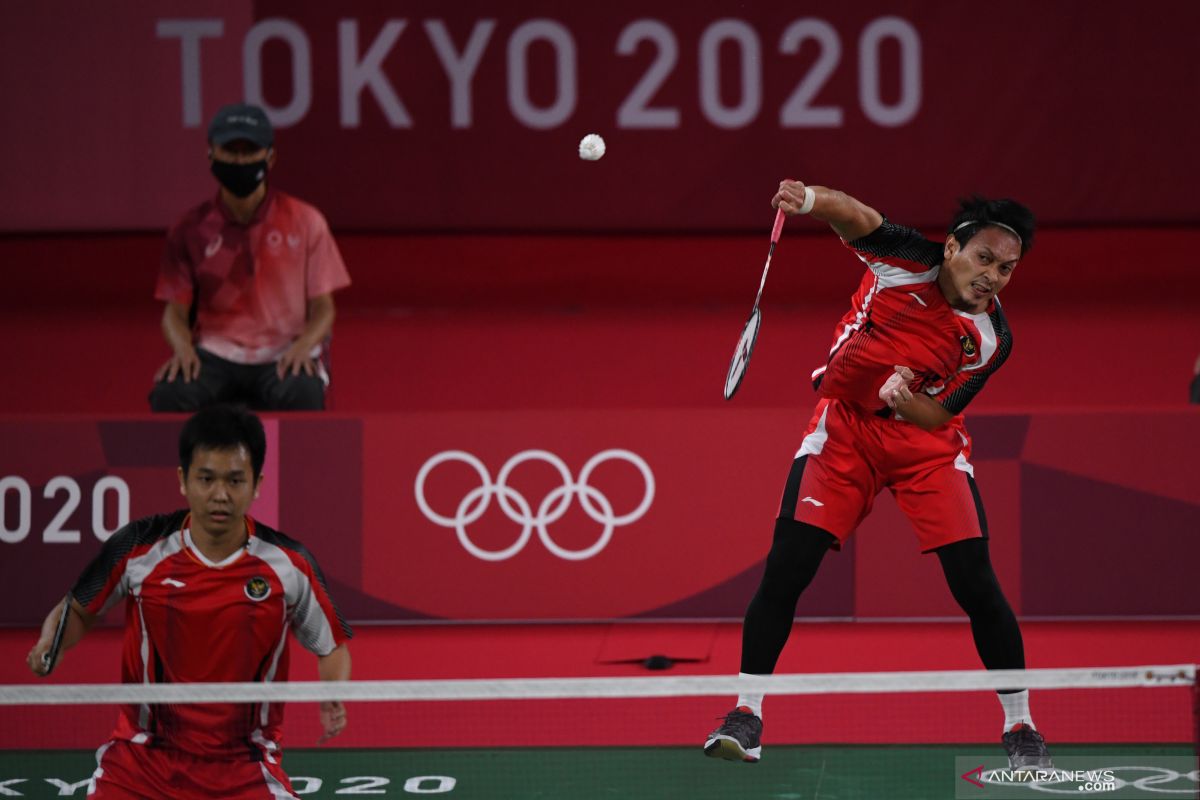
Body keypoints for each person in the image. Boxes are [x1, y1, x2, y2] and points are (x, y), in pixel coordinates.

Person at [703, 180, 1052, 771]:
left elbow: (941, 413)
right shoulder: (904, 260)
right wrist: (809, 199)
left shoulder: (993, 337)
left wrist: (905, 401)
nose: (993, 276)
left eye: (1007, 268)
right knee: (788, 568)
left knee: (974, 583)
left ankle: (1021, 723)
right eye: (984, 258)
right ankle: (746, 714)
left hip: (926, 445)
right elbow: (855, 215)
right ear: (952, 250)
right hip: (845, 432)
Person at [27, 404, 352, 799]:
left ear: (257, 484)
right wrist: (52, 643)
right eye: (206, 479)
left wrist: (332, 695)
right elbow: (77, 608)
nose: (220, 495)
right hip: (140, 764)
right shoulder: (139, 546)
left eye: (235, 481)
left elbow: (331, 645)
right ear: (183, 480)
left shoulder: (289, 563)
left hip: (243, 767)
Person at [149, 102, 351, 412]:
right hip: (215, 356)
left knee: (303, 392)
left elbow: (324, 309)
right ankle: (184, 464)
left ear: (270, 157)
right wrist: (183, 350)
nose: (240, 159)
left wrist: (302, 347)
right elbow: (174, 313)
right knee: (170, 394)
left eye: (249, 150)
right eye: (230, 150)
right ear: (211, 155)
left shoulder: (305, 220)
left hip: (282, 355)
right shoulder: (190, 229)